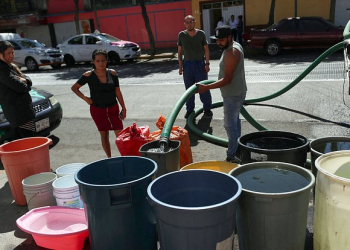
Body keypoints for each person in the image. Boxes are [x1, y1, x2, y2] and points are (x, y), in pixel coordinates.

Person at [196, 26, 247, 163]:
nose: (219, 43)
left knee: (230, 125)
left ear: (230, 38)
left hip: (233, 94)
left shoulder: (232, 52)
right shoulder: (232, 46)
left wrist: (206, 87)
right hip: (235, 92)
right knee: (235, 121)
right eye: (217, 40)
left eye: (222, 40)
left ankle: (232, 156)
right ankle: (237, 148)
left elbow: (227, 79)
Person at [71, 49, 126, 158]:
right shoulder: (88, 75)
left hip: (113, 108)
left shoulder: (112, 73)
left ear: (107, 61)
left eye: (103, 60)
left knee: (120, 135)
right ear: (93, 62)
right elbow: (74, 88)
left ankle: (124, 157)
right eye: (98, 61)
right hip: (98, 110)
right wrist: (86, 98)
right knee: (104, 134)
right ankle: (109, 158)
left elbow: (117, 91)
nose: (101, 63)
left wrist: (124, 108)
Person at [178, 15, 212, 119]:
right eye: (187, 22)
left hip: (199, 64)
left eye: (191, 21)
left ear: (195, 22)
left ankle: (207, 109)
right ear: (184, 24)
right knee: (189, 89)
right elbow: (179, 52)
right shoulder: (181, 35)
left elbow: (206, 49)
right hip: (187, 65)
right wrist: (180, 66)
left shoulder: (201, 34)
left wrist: (207, 63)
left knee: (203, 88)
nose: (189, 24)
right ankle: (190, 110)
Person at [0, 41, 35, 140]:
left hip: (22, 113)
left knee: (22, 140)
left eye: (13, 52)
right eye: (8, 53)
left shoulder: (8, 66)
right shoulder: (2, 69)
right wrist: (26, 83)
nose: (11, 56)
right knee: (28, 141)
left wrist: (25, 81)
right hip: (19, 114)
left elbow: (25, 78)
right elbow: (21, 87)